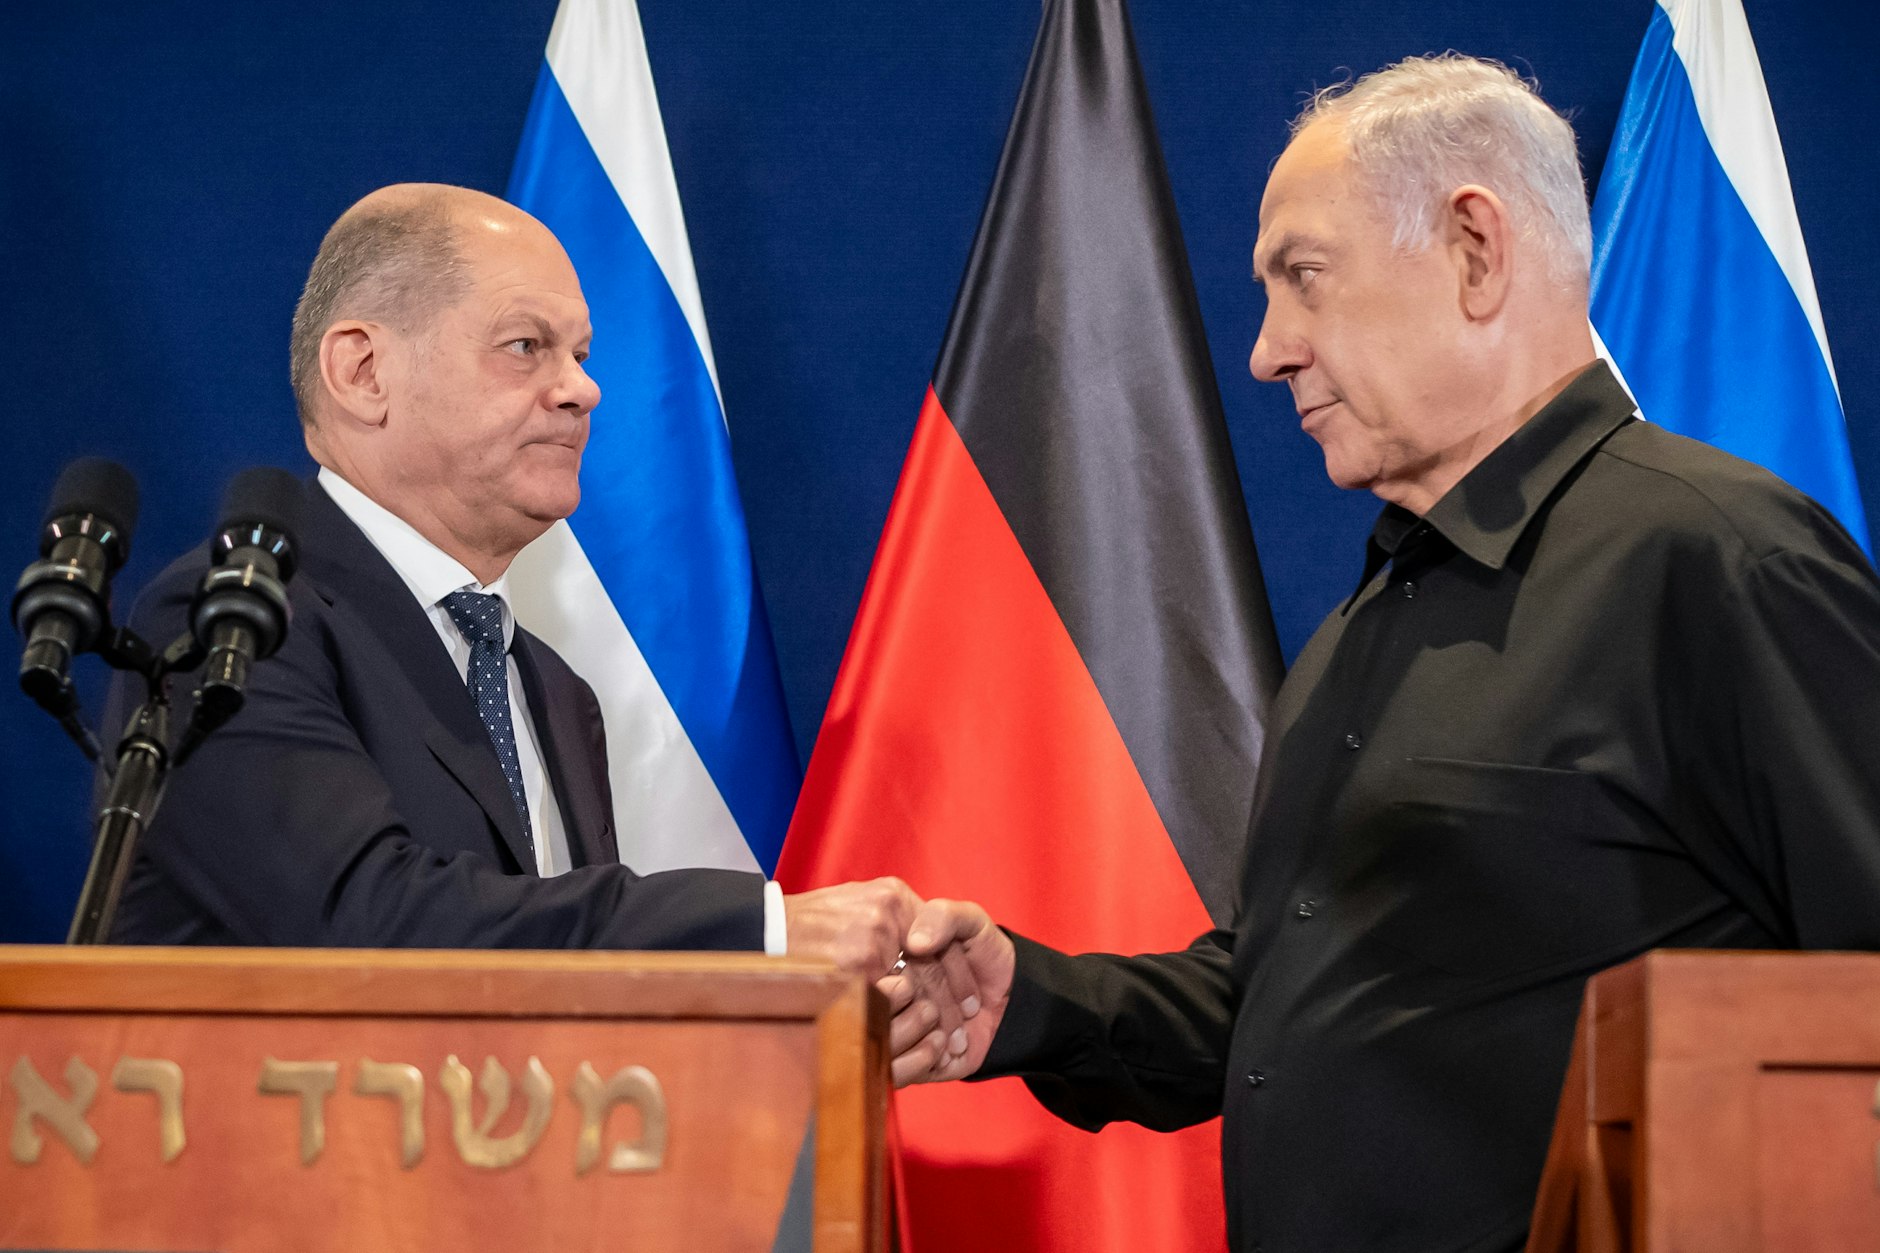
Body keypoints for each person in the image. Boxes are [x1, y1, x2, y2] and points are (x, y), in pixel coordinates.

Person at [883, 53, 1880, 1252]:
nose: (1265, 350)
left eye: (1301, 278)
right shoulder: (1368, 621)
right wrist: (1029, 1004)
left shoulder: (1720, 561)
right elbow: (1281, 1004)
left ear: (1473, 249)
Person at [105, 185, 970, 1029]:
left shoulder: (552, 689)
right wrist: (766, 932)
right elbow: (368, 924)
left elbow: (570, 1002)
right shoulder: (233, 623)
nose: (582, 390)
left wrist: (809, 1026)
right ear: (363, 371)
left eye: (581, 356)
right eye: (526, 346)